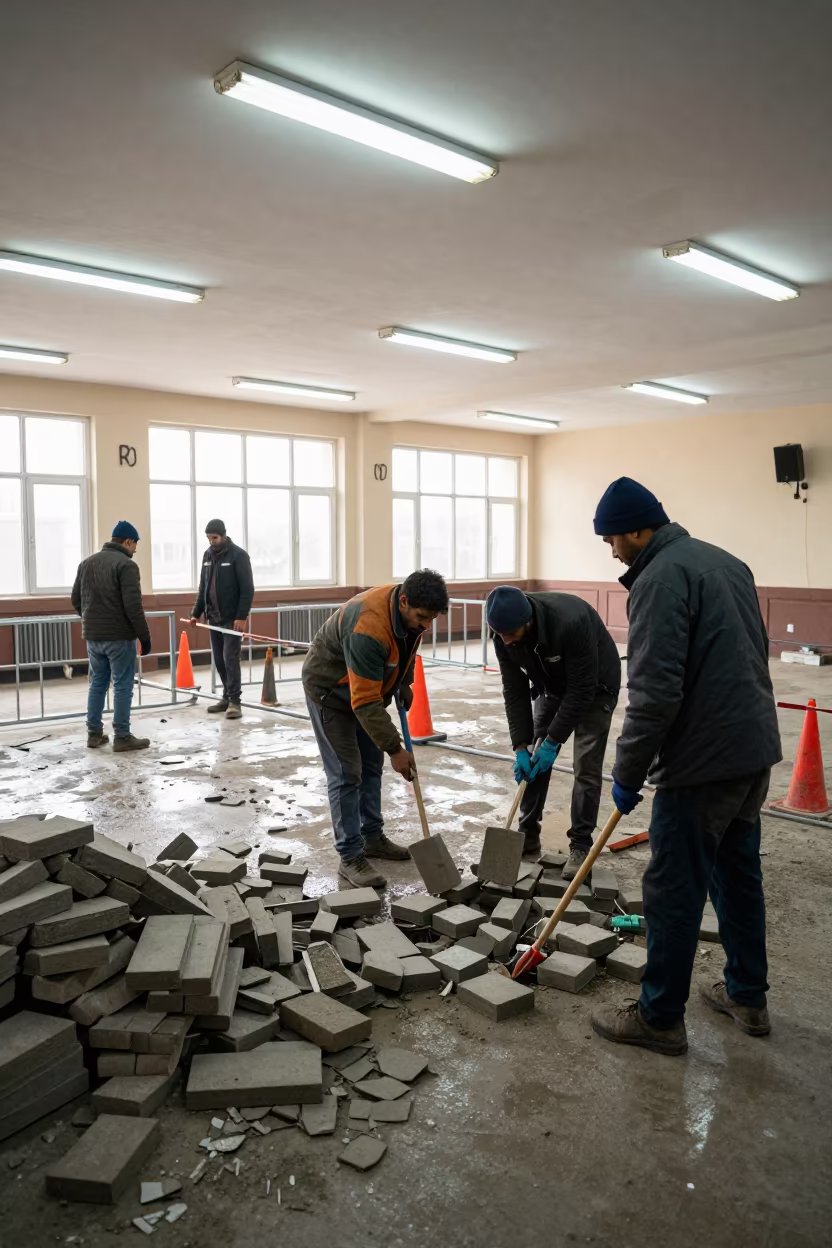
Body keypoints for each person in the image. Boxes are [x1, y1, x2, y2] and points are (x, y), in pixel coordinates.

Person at [589, 477, 781, 1056]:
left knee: (674, 889)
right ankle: (747, 996)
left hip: (703, 762)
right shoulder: (728, 563)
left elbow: (654, 691)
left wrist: (627, 771)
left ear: (636, 531)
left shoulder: (658, 580)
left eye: (612, 540)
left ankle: (659, 1018)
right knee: (737, 873)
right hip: (753, 751)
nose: (611, 551)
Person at [302, 570, 449, 888]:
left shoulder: (410, 613)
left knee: (371, 766)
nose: (426, 625)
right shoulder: (368, 626)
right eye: (422, 617)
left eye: (432, 619)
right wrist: (396, 749)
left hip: (363, 690)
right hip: (331, 691)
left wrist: (405, 680)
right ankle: (350, 855)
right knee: (346, 773)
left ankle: (372, 837)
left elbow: (407, 645)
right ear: (405, 601)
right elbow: (365, 702)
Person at [487, 586, 621, 874]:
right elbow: (514, 689)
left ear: (529, 622)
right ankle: (527, 834)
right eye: (500, 635)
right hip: (551, 686)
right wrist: (521, 744)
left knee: (585, 766)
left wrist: (554, 742)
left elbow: (582, 691)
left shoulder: (570, 621)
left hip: (596, 687)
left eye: (511, 634)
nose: (506, 641)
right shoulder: (502, 633)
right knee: (534, 758)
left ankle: (580, 845)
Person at [71, 520, 152, 752]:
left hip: (93, 639)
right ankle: (122, 736)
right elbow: (133, 607)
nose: (135, 550)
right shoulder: (126, 566)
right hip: (119, 637)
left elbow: (75, 599)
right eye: (135, 544)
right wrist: (144, 637)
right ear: (127, 541)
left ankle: (94, 734)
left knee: (97, 683)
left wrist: (91, 620)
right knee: (123, 685)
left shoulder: (86, 563)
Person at [189, 519, 253, 720]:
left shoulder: (238, 556)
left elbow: (247, 589)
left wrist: (241, 616)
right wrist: (196, 612)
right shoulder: (207, 556)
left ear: (224, 536)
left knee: (230, 659)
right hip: (213, 618)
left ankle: (235, 701)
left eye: (214, 537)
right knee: (219, 660)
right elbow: (203, 588)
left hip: (231, 620)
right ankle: (226, 696)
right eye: (208, 538)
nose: (211, 541)